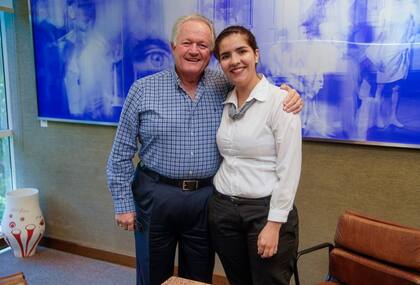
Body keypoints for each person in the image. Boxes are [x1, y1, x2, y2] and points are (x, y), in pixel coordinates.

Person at [106, 14, 303, 285]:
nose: (194, 50)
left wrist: (288, 93)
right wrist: (123, 203)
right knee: (153, 274)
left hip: (205, 199)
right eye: (187, 42)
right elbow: (120, 154)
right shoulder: (142, 90)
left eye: (202, 45)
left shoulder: (222, 84)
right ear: (173, 46)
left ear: (210, 54)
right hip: (156, 195)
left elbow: (254, 83)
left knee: (198, 276)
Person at [208, 26, 301, 285]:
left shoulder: (281, 102)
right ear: (220, 63)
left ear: (256, 54)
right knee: (238, 281)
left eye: (242, 51)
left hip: (264, 213)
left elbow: (289, 169)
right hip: (223, 210)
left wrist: (274, 224)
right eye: (226, 56)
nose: (235, 60)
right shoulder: (225, 101)